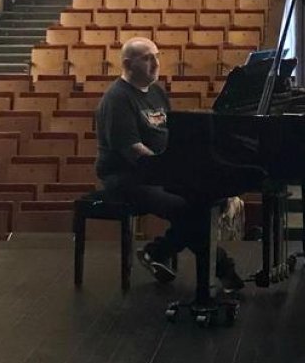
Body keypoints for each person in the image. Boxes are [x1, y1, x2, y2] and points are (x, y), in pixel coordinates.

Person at [94, 36, 244, 291]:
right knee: (188, 208)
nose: (155, 63)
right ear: (129, 64)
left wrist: (185, 170)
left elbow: (169, 136)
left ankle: (159, 251)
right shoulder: (117, 99)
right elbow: (134, 152)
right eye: (147, 58)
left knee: (204, 199)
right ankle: (222, 268)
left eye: (157, 57)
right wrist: (174, 174)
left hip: (159, 172)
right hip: (127, 177)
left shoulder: (156, 91)